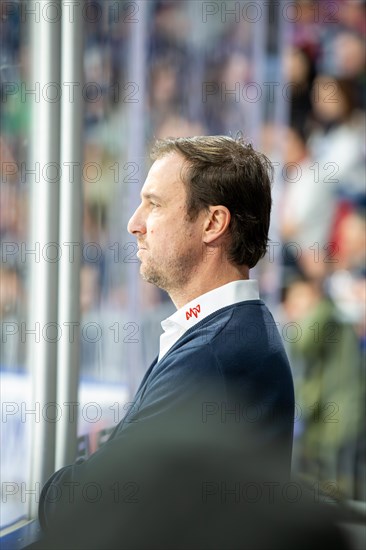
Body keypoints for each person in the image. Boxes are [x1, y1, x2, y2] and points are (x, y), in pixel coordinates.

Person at [34, 136, 295, 549]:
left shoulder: (213, 357)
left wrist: (53, 491)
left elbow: (80, 507)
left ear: (213, 223)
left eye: (153, 204)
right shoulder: (228, 333)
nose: (134, 223)